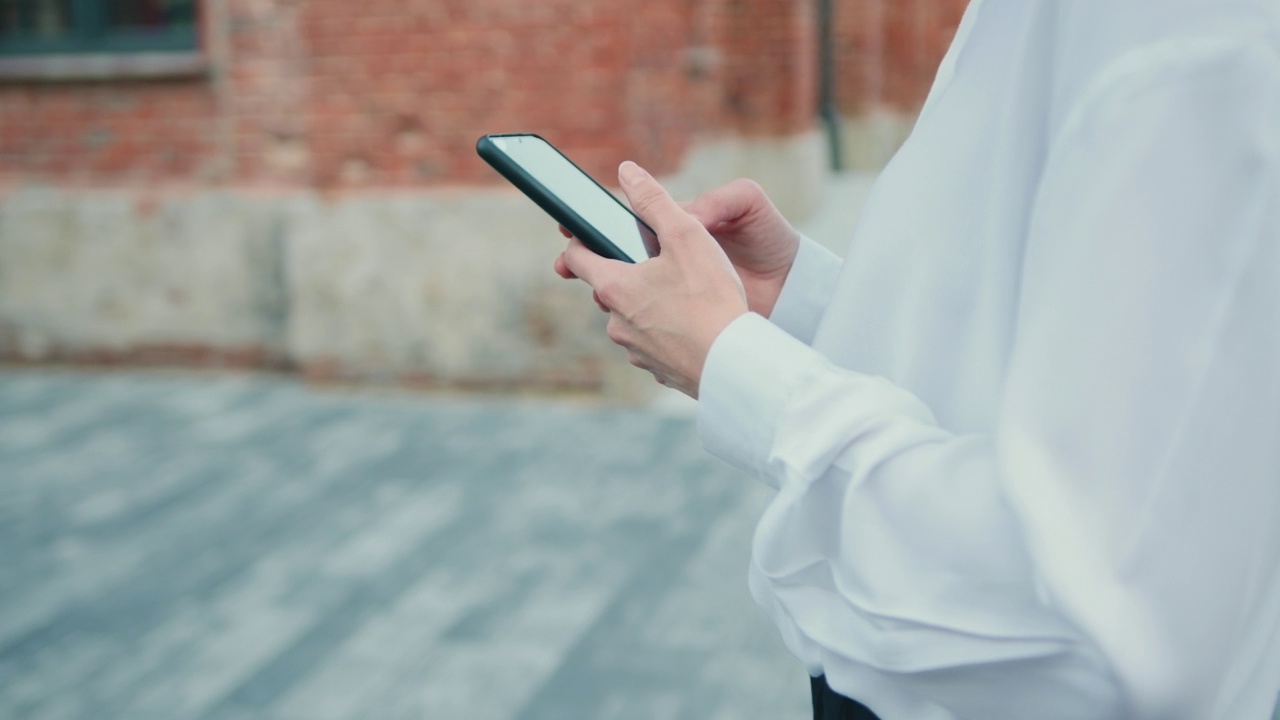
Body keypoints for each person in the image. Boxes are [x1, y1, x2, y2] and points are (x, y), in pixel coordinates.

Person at [554, 0, 1280, 718]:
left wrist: (737, 365)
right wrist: (803, 301)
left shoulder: (1189, 38)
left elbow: (1097, 629)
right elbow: (1034, 344)